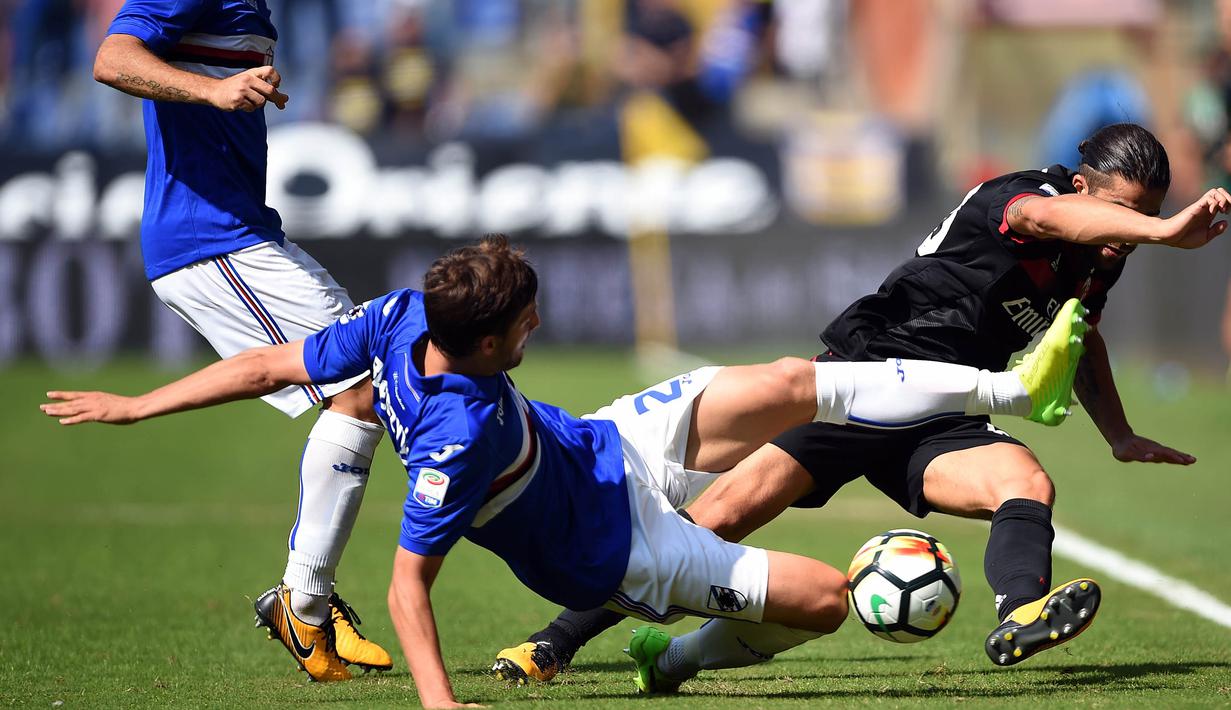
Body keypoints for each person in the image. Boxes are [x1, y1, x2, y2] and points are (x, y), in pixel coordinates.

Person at [41, 236, 1088, 707]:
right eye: (526, 322)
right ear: (489, 341)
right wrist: (443, 706)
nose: (538, 324)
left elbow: (273, 359)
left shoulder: (406, 312)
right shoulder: (454, 440)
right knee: (823, 598)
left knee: (788, 377)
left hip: (608, 441)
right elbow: (411, 585)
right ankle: (668, 659)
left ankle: (1009, 390)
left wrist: (138, 401)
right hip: (619, 546)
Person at [493, 123, 1231, 684]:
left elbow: (1081, 338)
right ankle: (552, 642)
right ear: (1077, 186)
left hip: (943, 411)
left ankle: (1020, 614)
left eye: (1147, 215)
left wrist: (1118, 432)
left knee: (1026, 483)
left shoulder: (1100, 255)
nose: (1124, 239)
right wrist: (1164, 232)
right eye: (1123, 214)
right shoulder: (1022, 198)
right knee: (713, 521)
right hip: (860, 385)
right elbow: (1049, 223)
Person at [92, 0, 391, 680]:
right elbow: (111, 57)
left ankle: (309, 600)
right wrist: (213, 88)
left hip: (239, 236)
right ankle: (305, 603)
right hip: (210, 242)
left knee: (368, 387)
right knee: (364, 385)